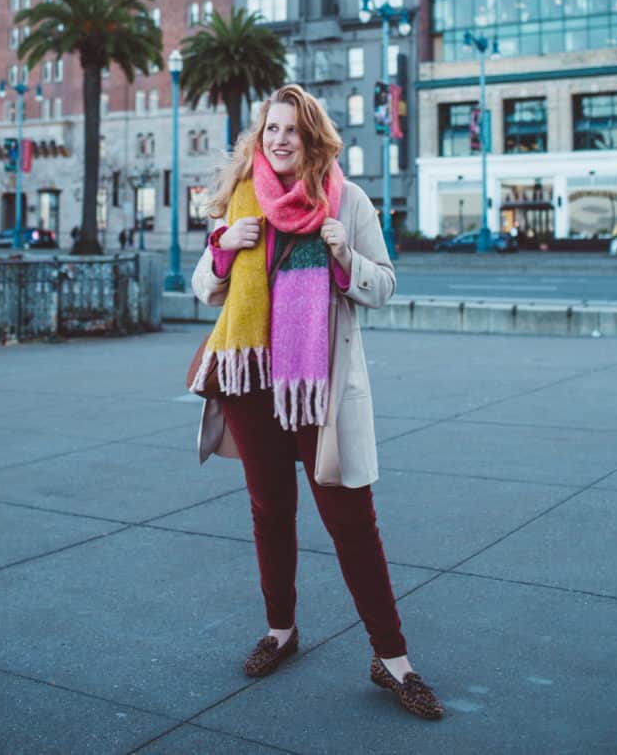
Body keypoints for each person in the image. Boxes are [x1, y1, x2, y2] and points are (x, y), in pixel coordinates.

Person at [190, 84, 443, 721]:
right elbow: (204, 288)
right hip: (250, 381)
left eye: (290, 131)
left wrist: (341, 254)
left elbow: (383, 284)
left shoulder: (346, 200)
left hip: (316, 387)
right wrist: (224, 250)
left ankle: (393, 659)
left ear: (312, 139)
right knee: (269, 509)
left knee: (350, 516)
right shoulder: (239, 197)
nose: (278, 140)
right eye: (270, 129)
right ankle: (280, 631)